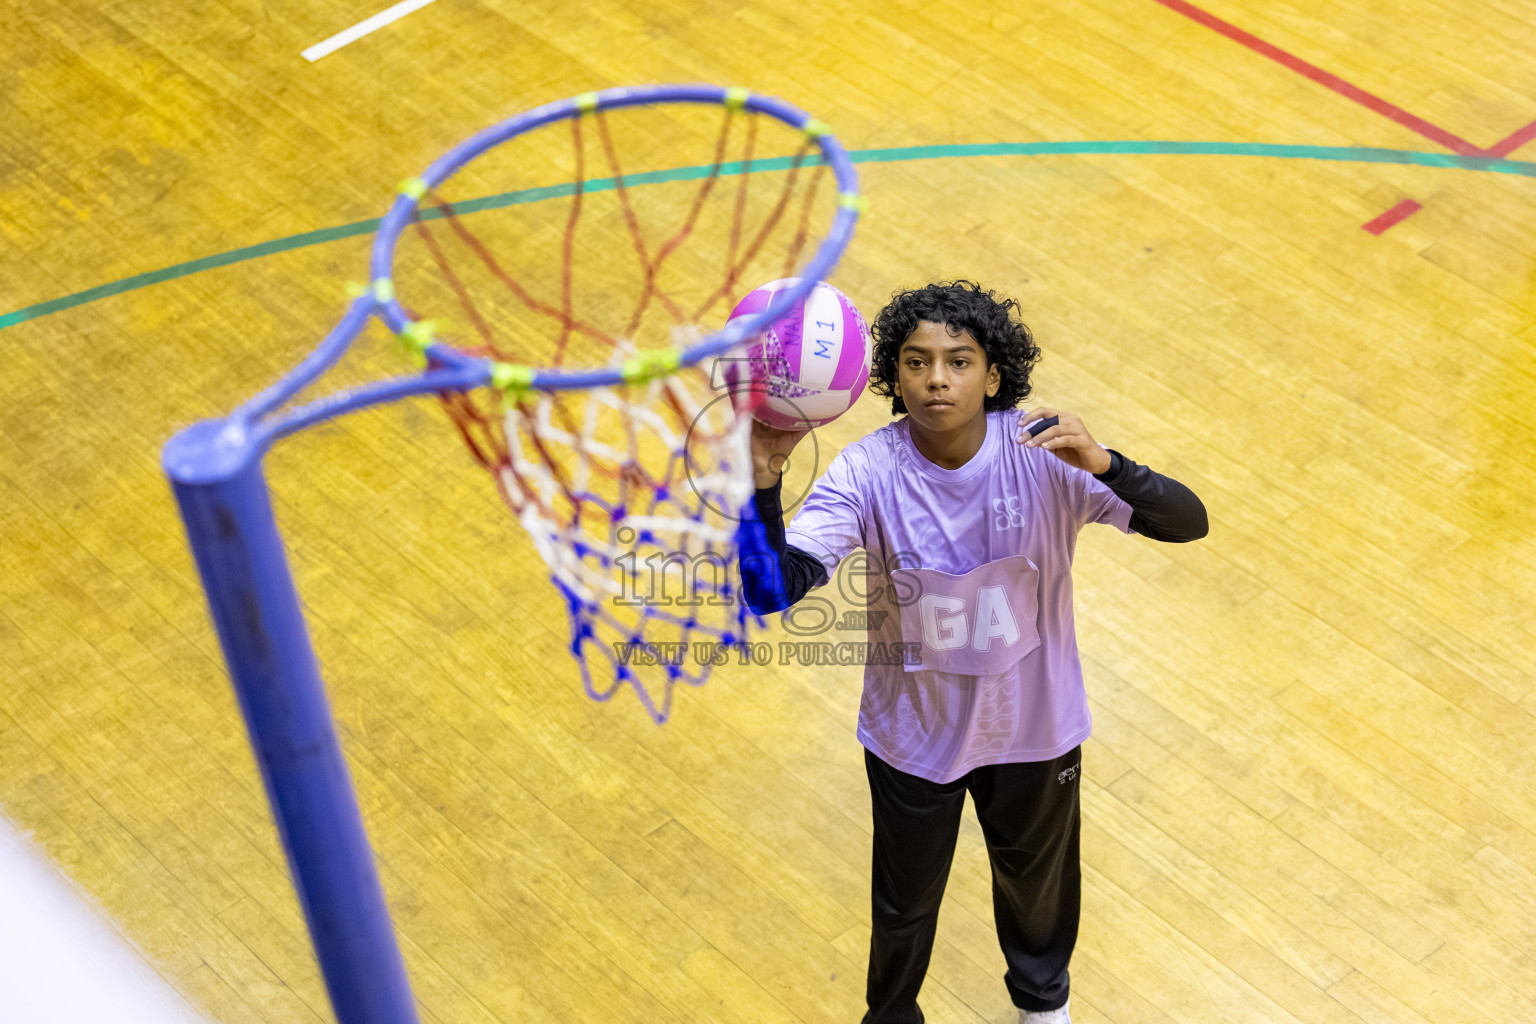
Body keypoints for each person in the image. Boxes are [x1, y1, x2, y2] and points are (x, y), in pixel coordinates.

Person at [735, 280, 1208, 1024]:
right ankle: (891, 1017)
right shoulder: (867, 472)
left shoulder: (1044, 453)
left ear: (993, 376)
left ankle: (1043, 1009)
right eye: (917, 362)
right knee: (902, 906)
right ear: (893, 376)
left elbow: (1188, 523)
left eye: (959, 361)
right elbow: (770, 590)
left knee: (1038, 889)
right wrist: (763, 479)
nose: (936, 380)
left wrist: (1108, 463)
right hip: (912, 740)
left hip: (1035, 731)